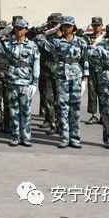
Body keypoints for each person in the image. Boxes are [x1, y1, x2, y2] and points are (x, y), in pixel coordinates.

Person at [36, 16, 89, 149]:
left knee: (75, 109)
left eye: (69, 26)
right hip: (61, 78)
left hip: (76, 78)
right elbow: (39, 40)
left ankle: (75, 138)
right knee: (63, 108)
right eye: (64, 26)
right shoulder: (56, 42)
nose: (66, 28)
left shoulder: (81, 42)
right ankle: (64, 138)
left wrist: (85, 78)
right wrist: (52, 30)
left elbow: (85, 60)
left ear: (73, 27)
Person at [0, 19, 40, 147]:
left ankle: (26, 137)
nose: (18, 30)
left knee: (26, 111)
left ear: (26, 30)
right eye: (16, 28)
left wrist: (35, 83)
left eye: (21, 28)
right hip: (12, 82)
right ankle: (15, 137)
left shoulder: (32, 45)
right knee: (14, 111)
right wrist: (3, 31)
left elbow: (36, 64)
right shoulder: (9, 44)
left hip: (26, 82)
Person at [84, 16, 105, 125]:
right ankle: (93, 116)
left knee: (103, 94)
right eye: (94, 25)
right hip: (91, 69)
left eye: (98, 25)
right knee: (92, 93)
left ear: (102, 26)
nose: (96, 27)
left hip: (103, 70)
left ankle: (103, 116)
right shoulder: (87, 37)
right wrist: (84, 28)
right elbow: (77, 36)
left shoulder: (105, 38)